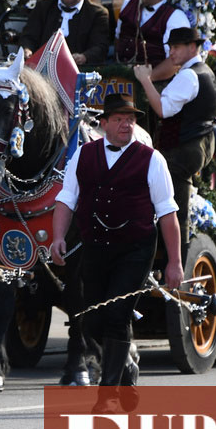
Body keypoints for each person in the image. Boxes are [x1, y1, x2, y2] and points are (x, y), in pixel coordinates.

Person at [48, 93, 182, 395]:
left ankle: (108, 394)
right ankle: (125, 368)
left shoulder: (152, 159)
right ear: (104, 123)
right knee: (92, 320)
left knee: (117, 315)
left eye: (131, 119)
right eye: (119, 119)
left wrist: (174, 262)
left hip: (135, 249)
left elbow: (167, 212)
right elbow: (66, 200)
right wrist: (58, 237)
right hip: (95, 248)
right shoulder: (83, 155)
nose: (126, 124)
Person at [131, 26, 216, 254]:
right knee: (174, 196)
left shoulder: (190, 75)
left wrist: (145, 80)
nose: (171, 53)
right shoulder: (203, 71)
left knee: (168, 199)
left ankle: (171, 255)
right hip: (199, 143)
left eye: (177, 47)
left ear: (192, 47)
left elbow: (162, 109)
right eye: (170, 47)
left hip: (187, 146)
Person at [16, 0, 110, 65]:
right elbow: (29, 36)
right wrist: (27, 49)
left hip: (80, 72)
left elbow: (100, 47)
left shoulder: (97, 13)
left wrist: (84, 57)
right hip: (41, 70)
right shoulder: (43, 7)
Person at [113, 0, 190, 80]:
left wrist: (147, 80)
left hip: (156, 84)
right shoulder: (128, 4)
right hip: (122, 78)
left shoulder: (175, 17)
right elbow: (118, 38)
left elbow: (175, 61)